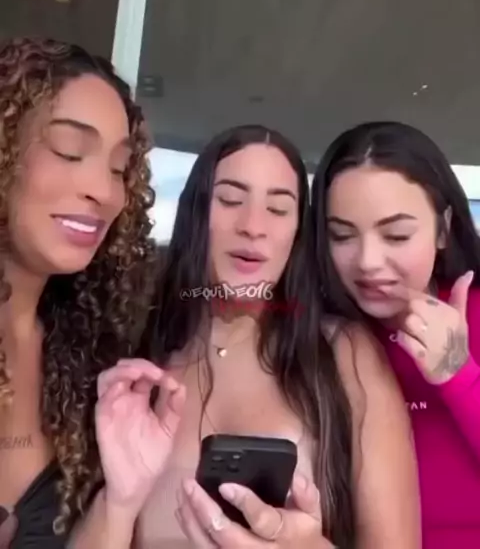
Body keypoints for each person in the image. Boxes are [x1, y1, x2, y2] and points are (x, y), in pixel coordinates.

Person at [72, 124, 420, 549]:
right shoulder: (137, 359)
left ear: (297, 233)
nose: (253, 226)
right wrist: (117, 501)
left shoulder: (344, 353)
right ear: (197, 213)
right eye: (231, 200)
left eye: (278, 208)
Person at [0, 36, 161, 547]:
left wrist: (120, 501)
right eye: (70, 150)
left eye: (118, 169)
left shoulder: (83, 363)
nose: (106, 191)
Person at [311, 120, 480, 549]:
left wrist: (460, 376)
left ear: (443, 228)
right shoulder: (320, 336)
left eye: (396, 235)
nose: (368, 261)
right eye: (342, 235)